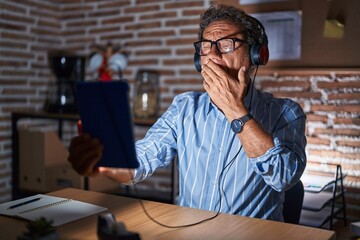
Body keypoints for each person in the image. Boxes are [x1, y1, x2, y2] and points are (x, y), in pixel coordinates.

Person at [68, 4, 307, 222]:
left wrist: (235, 108)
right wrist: (105, 162)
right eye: (205, 47)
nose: (213, 56)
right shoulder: (184, 108)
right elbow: (139, 163)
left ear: (256, 56)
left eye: (227, 44)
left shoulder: (286, 112)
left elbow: (284, 177)